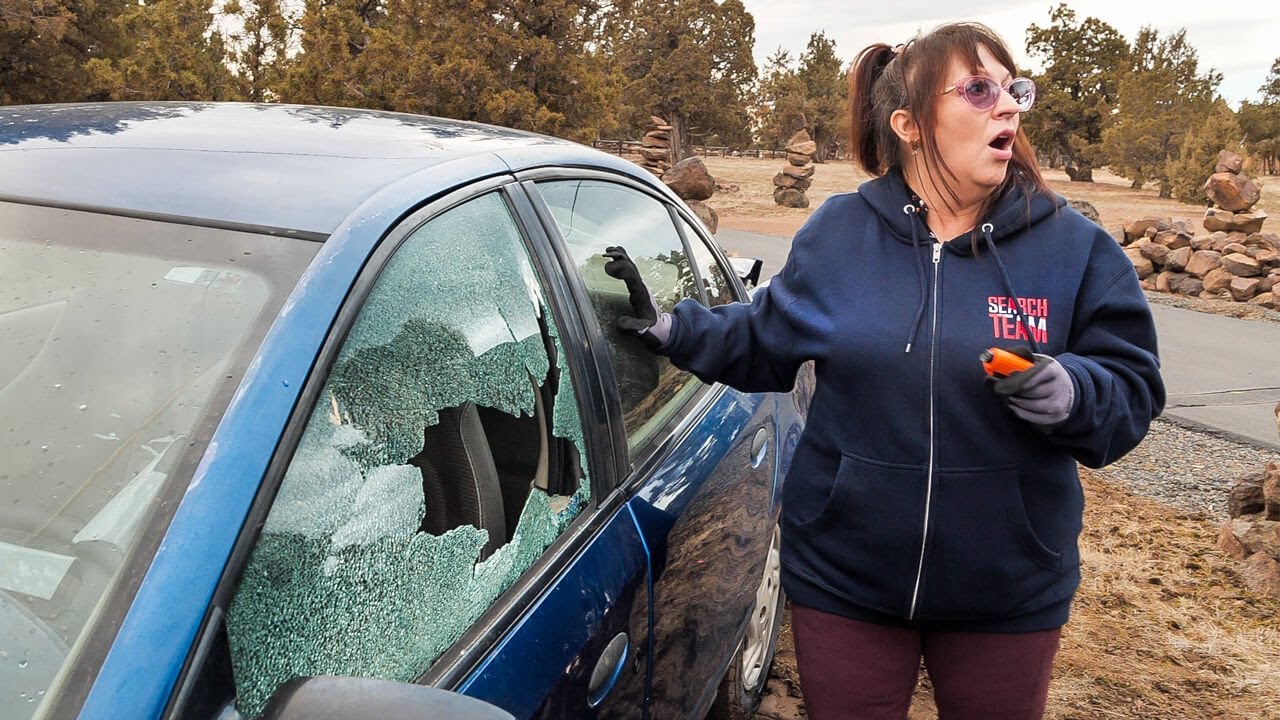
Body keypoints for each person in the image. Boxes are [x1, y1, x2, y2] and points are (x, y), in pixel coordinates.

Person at [602, 20, 1165, 720]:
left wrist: (1074, 391)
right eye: (981, 90)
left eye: (1015, 88)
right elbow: (766, 338)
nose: (1011, 108)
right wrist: (673, 327)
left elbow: (1133, 391)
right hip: (846, 580)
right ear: (910, 123)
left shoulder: (1074, 249)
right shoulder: (839, 234)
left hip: (1007, 589)